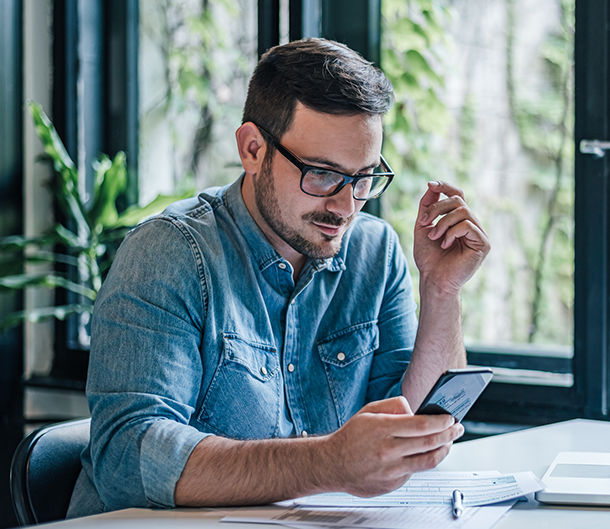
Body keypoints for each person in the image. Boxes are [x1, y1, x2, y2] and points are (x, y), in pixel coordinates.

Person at [67, 38, 490, 517]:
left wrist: (442, 290)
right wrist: (328, 463)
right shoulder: (170, 254)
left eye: (364, 177)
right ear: (252, 149)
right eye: (323, 173)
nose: (345, 205)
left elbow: (405, 427)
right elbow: (129, 458)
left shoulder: (375, 252)